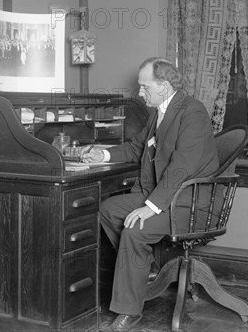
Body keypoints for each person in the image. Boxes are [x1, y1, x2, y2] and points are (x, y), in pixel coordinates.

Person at [82, 57, 219, 331]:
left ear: (165, 87)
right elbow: (136, 148)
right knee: (108, 209)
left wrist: (152, 207)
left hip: (190, 203)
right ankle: (150, 268)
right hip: (167, 196)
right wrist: (103, 154)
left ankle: (129, 311)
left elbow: (182, 167)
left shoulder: (192, 112)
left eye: (145, 87)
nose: (139, 93)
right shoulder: (159, 112)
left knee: (135, 229)